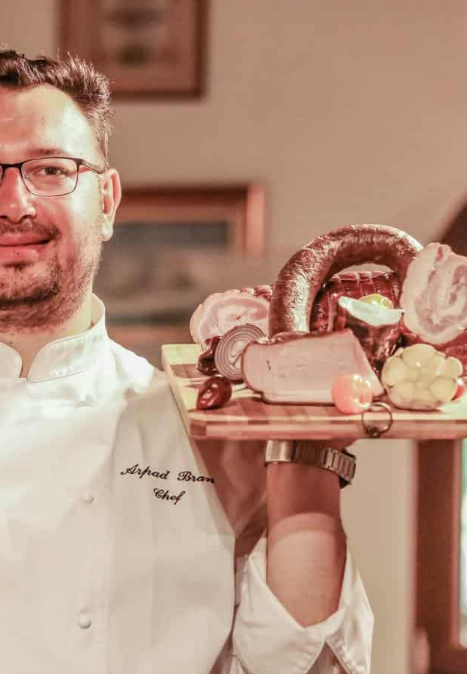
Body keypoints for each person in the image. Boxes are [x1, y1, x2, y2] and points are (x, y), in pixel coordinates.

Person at [0, 48, 373, 673]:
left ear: (107, 202)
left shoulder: (211, 433)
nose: (15, 203)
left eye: (51, 169)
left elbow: (304, 668)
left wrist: (308, 452)